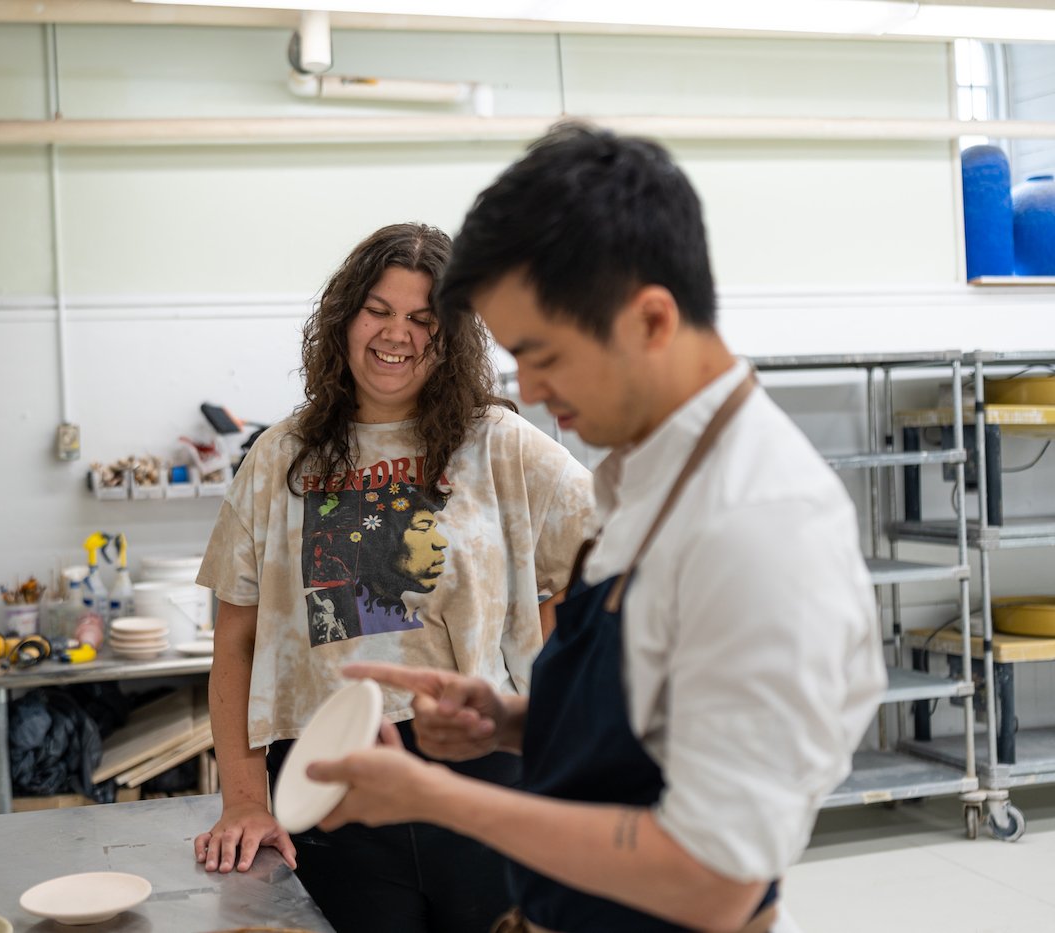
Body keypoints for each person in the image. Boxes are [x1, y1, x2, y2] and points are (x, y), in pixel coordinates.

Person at [305, 125, 887, 933]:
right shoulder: (648, 473)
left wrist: (436, 796)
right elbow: (654, 721)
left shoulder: (758, 529)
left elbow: (712, 878)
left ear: (651, 320)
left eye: (544, 354)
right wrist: (508, 720)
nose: (534, 392)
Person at [193, 222, 598, 933]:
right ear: (345, 318)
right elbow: (235, 640)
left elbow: (608, 562)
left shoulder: (499, 445)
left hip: (477, 782)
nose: (397, 334)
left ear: (450, 336)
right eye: (378, 310)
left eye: (422, 318)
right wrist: (244, 798)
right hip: (329, 789)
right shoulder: (279, 458)